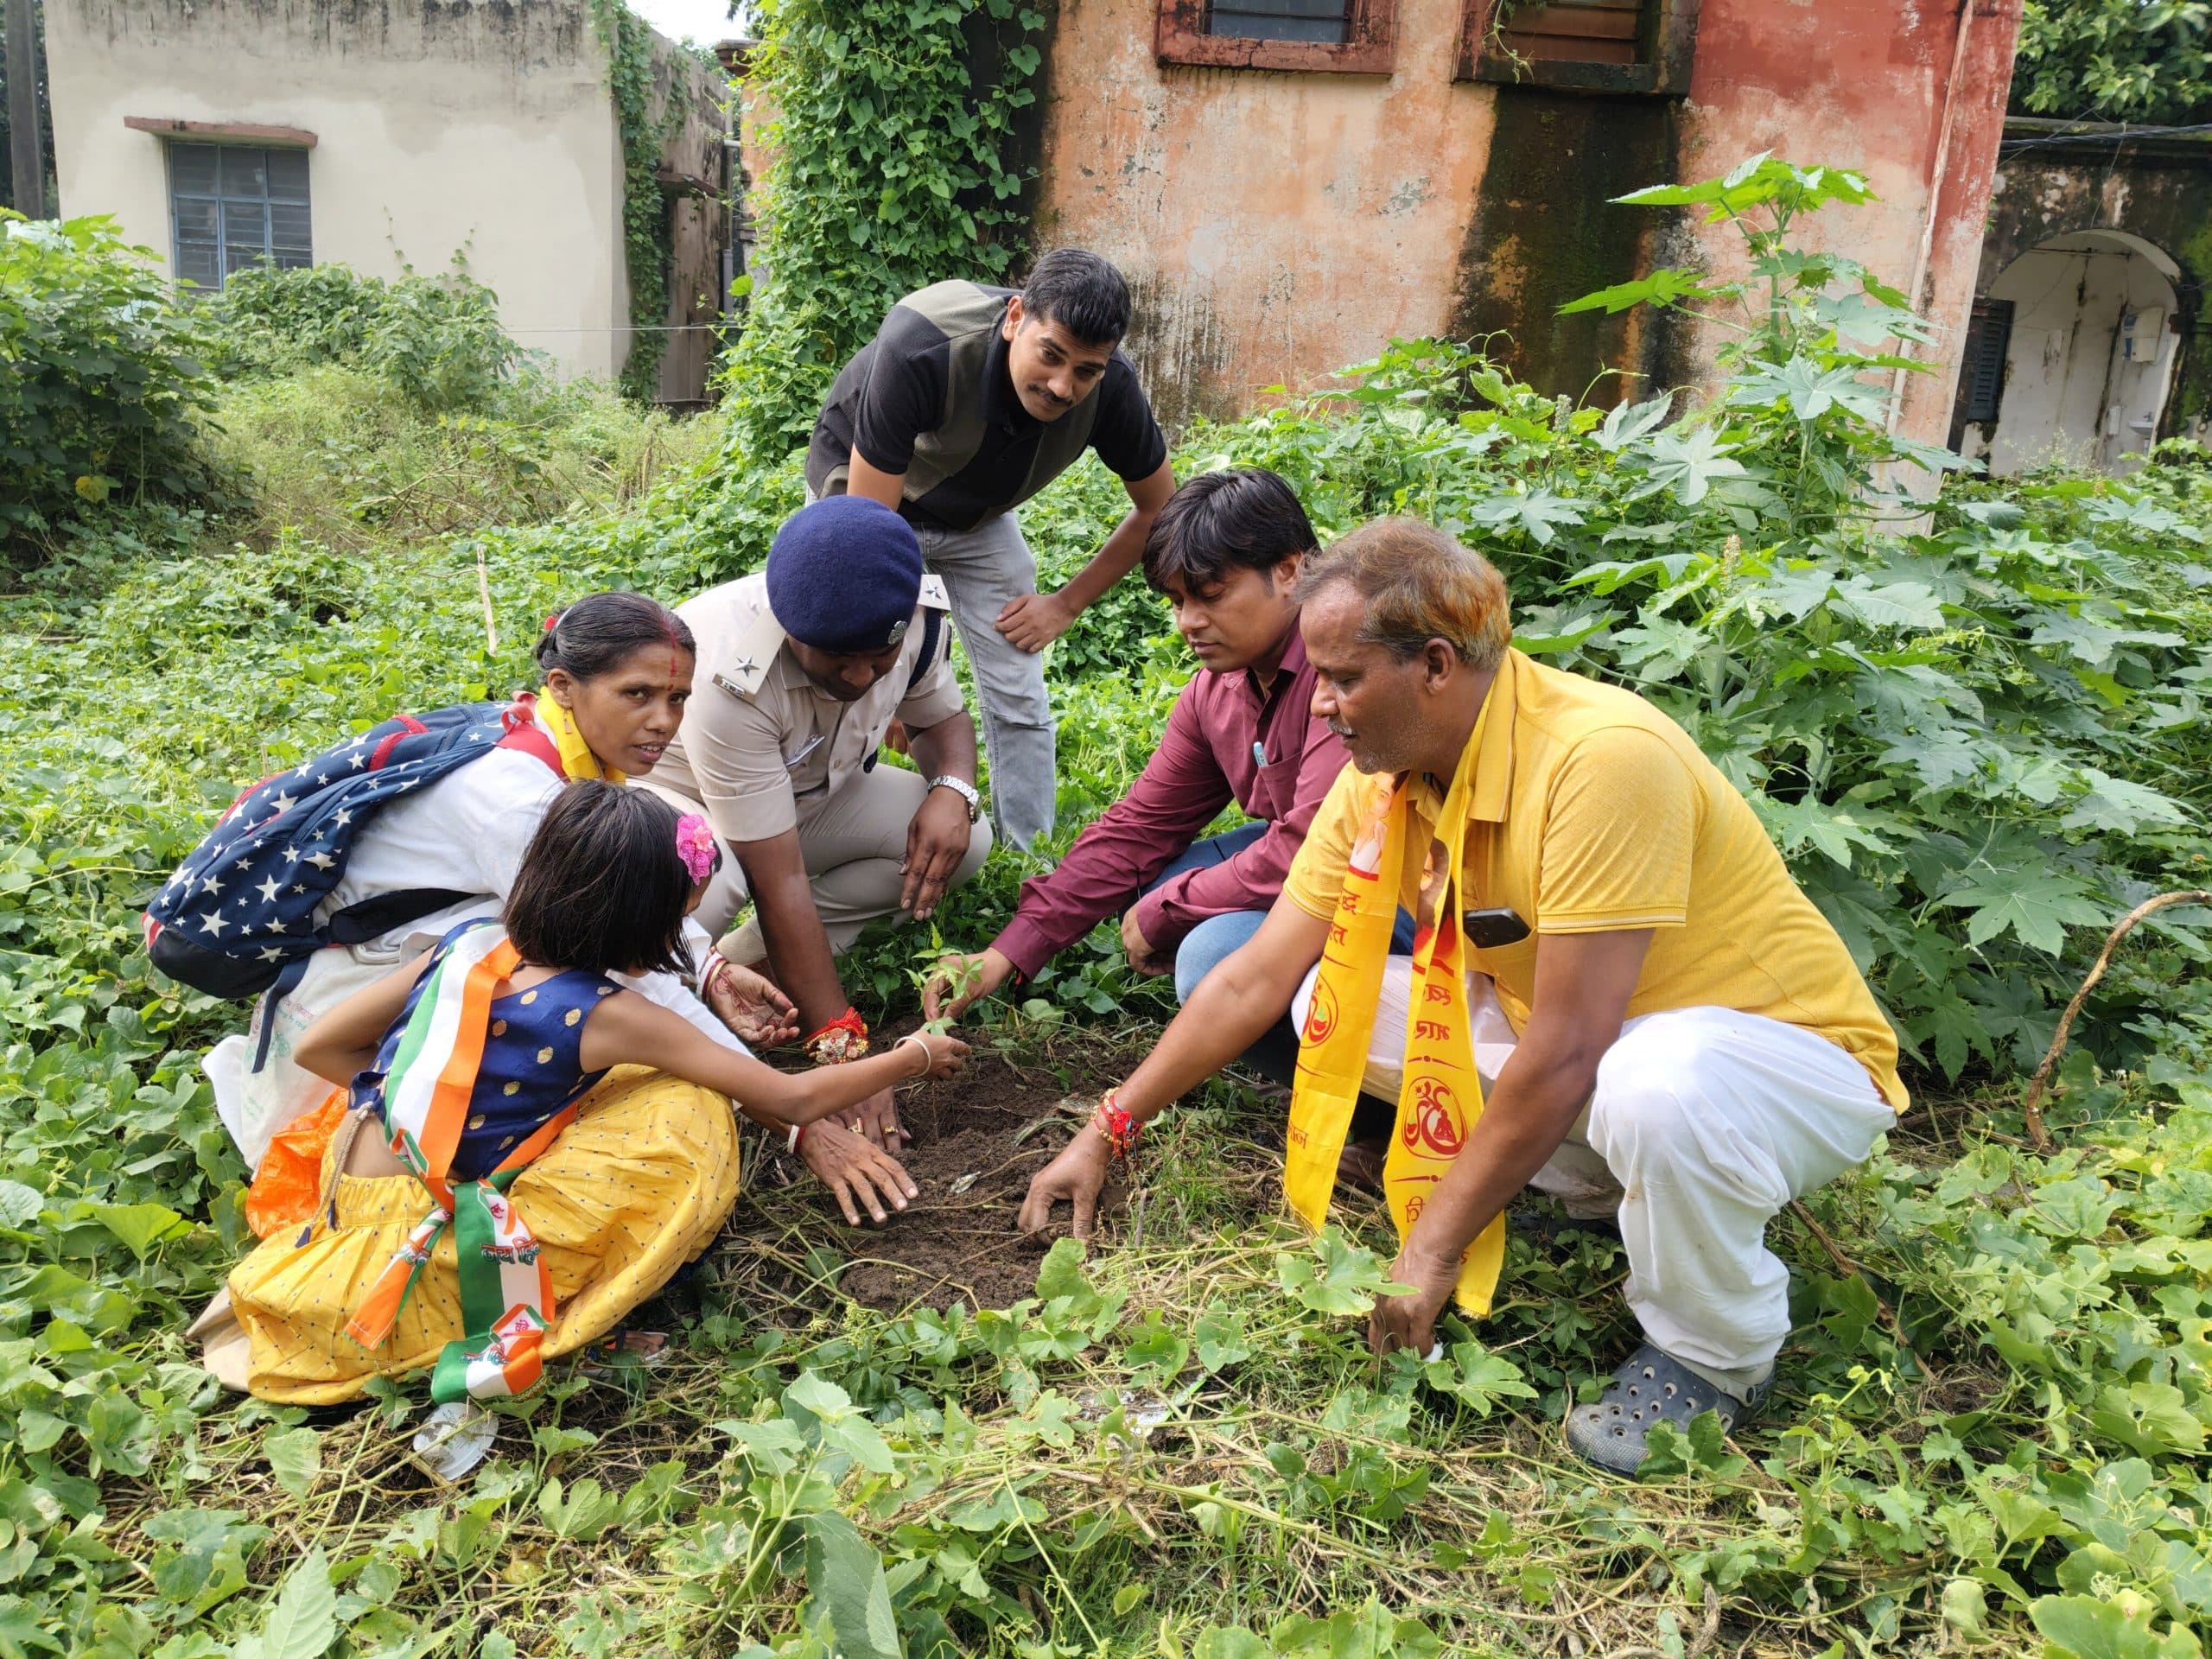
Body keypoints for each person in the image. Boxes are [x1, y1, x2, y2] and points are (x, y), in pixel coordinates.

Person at [1018, 518, 1907, 1474]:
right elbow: (1253, 976)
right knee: (1326, 995)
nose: (1320, 707)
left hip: (1774, 1061)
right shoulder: (1386, 779)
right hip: (1596, 1047)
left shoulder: (1599, 757)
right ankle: (1588, 1189)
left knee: (1655, 1087)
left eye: (1344, 679)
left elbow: (1571, 1048)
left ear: (1435, 665)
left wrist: (1433, 1246)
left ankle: (1713, 1356)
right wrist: (1108, 1126)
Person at [209, 784, 969, 1404]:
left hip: (354, 1195)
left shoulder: (468, 946)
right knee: (689, 1112)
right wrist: (911, 1057)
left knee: (638, 1089)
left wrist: (434, 1097)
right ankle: (572, 1318)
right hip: (436, 1247)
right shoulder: (607, 1015)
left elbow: (322, 1048)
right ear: (639, 921)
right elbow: (789, 1099)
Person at [199, 592, 910, 1224]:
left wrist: (714, 966)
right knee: (672, 1098)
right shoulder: (516, 800)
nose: (664, 723)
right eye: (637, 696)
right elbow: (640, 973)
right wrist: (801, 1124)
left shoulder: (557, 751)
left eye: (678, 700)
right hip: (363, 991)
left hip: (425, 972)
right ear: (564, 688)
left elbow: (629, 916)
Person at [920, 470, 1353, 1078]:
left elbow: (1310, 852)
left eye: (1210, 594)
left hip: (1401, 876)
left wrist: (1168, 911)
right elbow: (1137, 829)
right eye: (1178, 601)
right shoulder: (1217, 691)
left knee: (1206, 953)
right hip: (1311, 851)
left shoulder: (1343, 667)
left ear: (1289, 571)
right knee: (1154, 878)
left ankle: (1362, 1110)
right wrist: (1005, 954)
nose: (1188, 622)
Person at [644, 496, 991, 1165]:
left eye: (877, 656)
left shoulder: (913, 617)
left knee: (966, 840)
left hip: (812, 796)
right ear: (788, 626)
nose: (860, 677)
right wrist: (845, 1054)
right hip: (695, 822)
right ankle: (678, 995)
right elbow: (778, 880)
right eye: (836, 659)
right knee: (691, 901)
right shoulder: (730, 674)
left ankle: (750, 969)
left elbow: (941, 720)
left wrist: (953, 786)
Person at [810, 248, 1176, 849]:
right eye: (1051, 355)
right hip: (863, 497)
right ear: (1014, 318)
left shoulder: (1112, 391)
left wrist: (1066, 604)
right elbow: (873, 535)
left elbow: (1160, 507)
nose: (1063, 386)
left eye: (1086, 371)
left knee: (1019, 685)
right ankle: (818, 818)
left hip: (974, 515)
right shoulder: (924, 342)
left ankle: (1026, 857)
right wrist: (893, 666)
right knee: (845, 668)